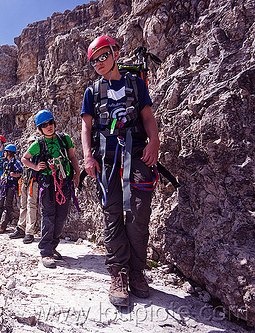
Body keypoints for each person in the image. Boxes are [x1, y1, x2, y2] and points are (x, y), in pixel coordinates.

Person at [81, 36, 160, 307]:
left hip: (137, 154)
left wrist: (155, 143)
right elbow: (86, 128)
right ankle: (118, 274)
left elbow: (148, 117)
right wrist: (88, 157)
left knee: (139, 211)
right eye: (94, 61)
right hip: (107, 160)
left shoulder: (136, 85)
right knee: (112, 212)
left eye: (103, 56)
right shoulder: (92, 91)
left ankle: (137, 271)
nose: (99, 63)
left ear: (115, 53)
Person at [22, 110, 80, 269]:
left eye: (50, 123)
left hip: (64, 182)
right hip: (48, 184)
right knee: (49, 216)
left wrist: (77, 173)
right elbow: (24, 159)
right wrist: (36, 167)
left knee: (61, 217)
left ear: (54, 123)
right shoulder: (38, 144)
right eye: (44, 125)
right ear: (39, 129)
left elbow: (72, 157)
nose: (49, 127)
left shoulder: (65, 139)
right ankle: (46, 252)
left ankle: (53, 246)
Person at [10, 136, 39, 244]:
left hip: (33, 181)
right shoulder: (29, 157)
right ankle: (21, 227)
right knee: (23, 205)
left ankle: (29, 232)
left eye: (33, 142)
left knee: (31, 205)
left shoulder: (39, 157)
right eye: (30, 143)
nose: (31, 144)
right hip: (25, 181)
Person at [0, 144, 23, 234]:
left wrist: (16, 175)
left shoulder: (16, 162)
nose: (4, 153)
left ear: (9, 152)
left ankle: (3, 225)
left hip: (11, 185)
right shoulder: (5, 162)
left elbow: (23, 172)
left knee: (7, 205)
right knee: (0, 203)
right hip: (4, 185)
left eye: (5, 152)